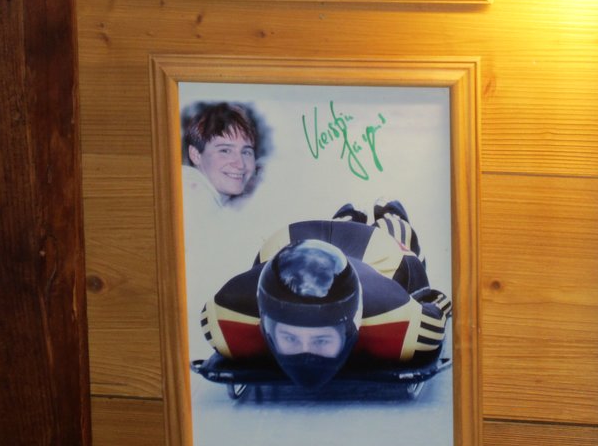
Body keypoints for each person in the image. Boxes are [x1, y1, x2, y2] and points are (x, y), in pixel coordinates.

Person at [197, 201, 451, 389]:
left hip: (376, 256)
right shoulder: (226, 315)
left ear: (350, 326)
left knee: (398, 244)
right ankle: (346, 218)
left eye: (320, 339)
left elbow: (433, 303)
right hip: (291, 243)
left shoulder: (396, 318)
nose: (306, 355)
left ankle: (390, 215)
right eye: (290, 338)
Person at [181, 101, 264, 208]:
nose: (240, 164)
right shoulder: (192, 193)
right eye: (225, 151)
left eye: (246, 152)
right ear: (195, 155)